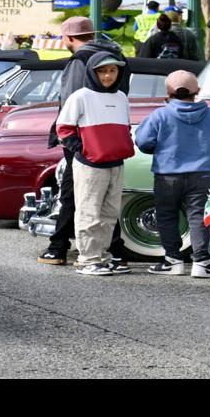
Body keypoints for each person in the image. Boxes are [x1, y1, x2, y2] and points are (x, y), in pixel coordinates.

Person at [38, 15, 132, 269]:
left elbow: (68, 105)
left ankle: (64, 248)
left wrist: (78, 146)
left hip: (86, 143)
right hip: (110, 142)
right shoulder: (117, 56)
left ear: (68, 38)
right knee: (106, 202)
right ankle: (113, 252)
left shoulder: (80, 61)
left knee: (78, 196)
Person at [135, 70, 210, 278]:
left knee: (166, 216)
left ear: (168, 93)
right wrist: (208, 154)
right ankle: (203, 263)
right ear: (197, 91)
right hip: (203, 174)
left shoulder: (160, 115)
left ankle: (172, 261)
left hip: (167, 174)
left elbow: (143, 142)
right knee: (199, 217)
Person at [56, 52, 135, 276]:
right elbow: (64, 128)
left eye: (112, 70)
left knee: (110, 213)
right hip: (90, 165)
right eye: (102, 71)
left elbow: (125, 127)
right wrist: (83, 149)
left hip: (116, 162)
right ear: (92, 72)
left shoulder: (121, 97)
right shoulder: (80, 97)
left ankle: (101, 255)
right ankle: (87, 258)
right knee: (89, 211)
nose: (108, 75)